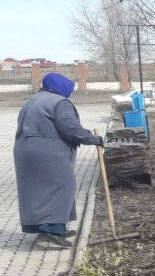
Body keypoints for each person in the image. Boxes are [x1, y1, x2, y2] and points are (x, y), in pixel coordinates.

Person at [14, 73, 104, 247]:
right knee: (62, 186)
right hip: (47, 152)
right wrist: (92, 138)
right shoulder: (59, 102)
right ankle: (51, 230)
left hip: (24, 150)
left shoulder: (33, 100)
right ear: (60, 88)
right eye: (68, 90)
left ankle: (53, 227)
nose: (69, 94)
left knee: (36, 189)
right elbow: (70, 128)